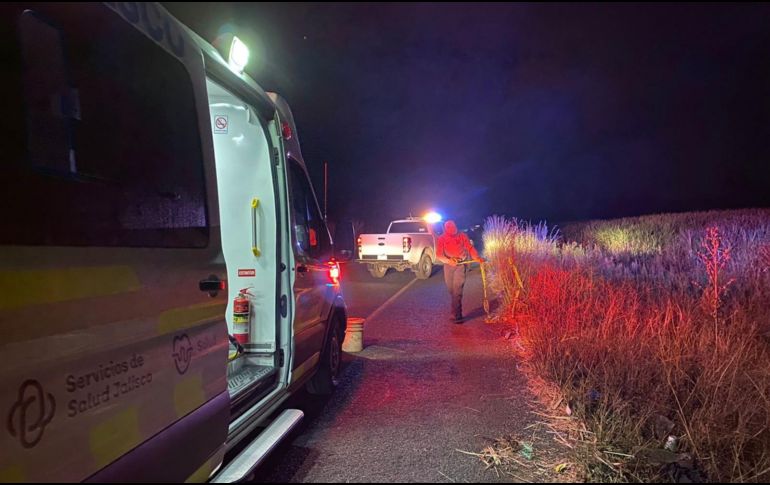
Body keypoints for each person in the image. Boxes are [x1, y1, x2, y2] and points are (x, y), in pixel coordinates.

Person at [436, 220, 485, 323]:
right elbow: (439, 254)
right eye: (449, 227)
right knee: (451, 290)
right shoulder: (441, 239)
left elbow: (470, 248)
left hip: (461, 265)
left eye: (453, 227)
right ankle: (455, 309)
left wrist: (476, 257)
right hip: (448, 266)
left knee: (457, 289)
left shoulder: (462, 236)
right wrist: (449, 260)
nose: (452, 229)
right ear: (446, 229)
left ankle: (457, 315)